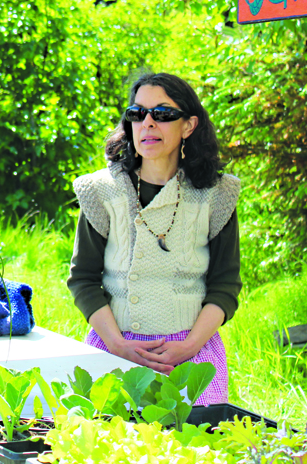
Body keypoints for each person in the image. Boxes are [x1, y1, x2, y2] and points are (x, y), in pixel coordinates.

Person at [67, 72, 240, 405]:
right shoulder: (102, 192)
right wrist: (118, 345)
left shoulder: (217, 195)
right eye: (137, 113)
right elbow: (83, 280)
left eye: (162, 114)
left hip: (193, 354)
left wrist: (188, 347)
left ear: (188, 125)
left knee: (193, 450)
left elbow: (225, 285)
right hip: (116, 348)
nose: (147, 123)